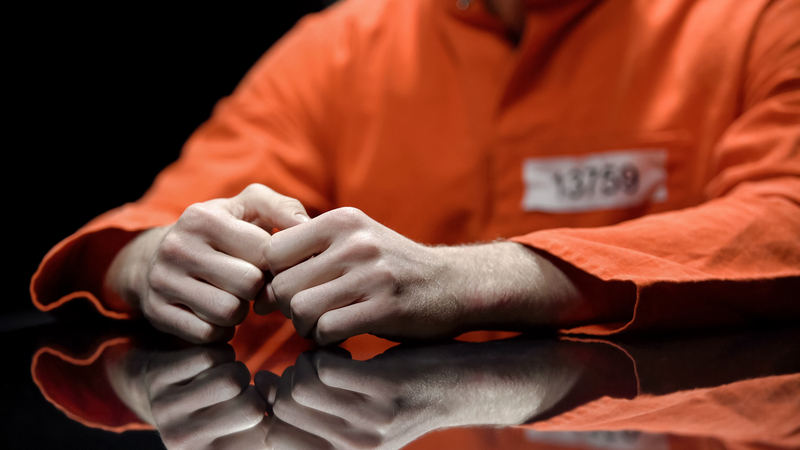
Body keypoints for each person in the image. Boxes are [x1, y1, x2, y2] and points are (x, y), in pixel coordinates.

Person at [31, 0, 800, 346]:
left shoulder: (761, 18)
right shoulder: (339, 48)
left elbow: (785, 220)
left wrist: (476, 280)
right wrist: (152, 262)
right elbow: (149, 228)